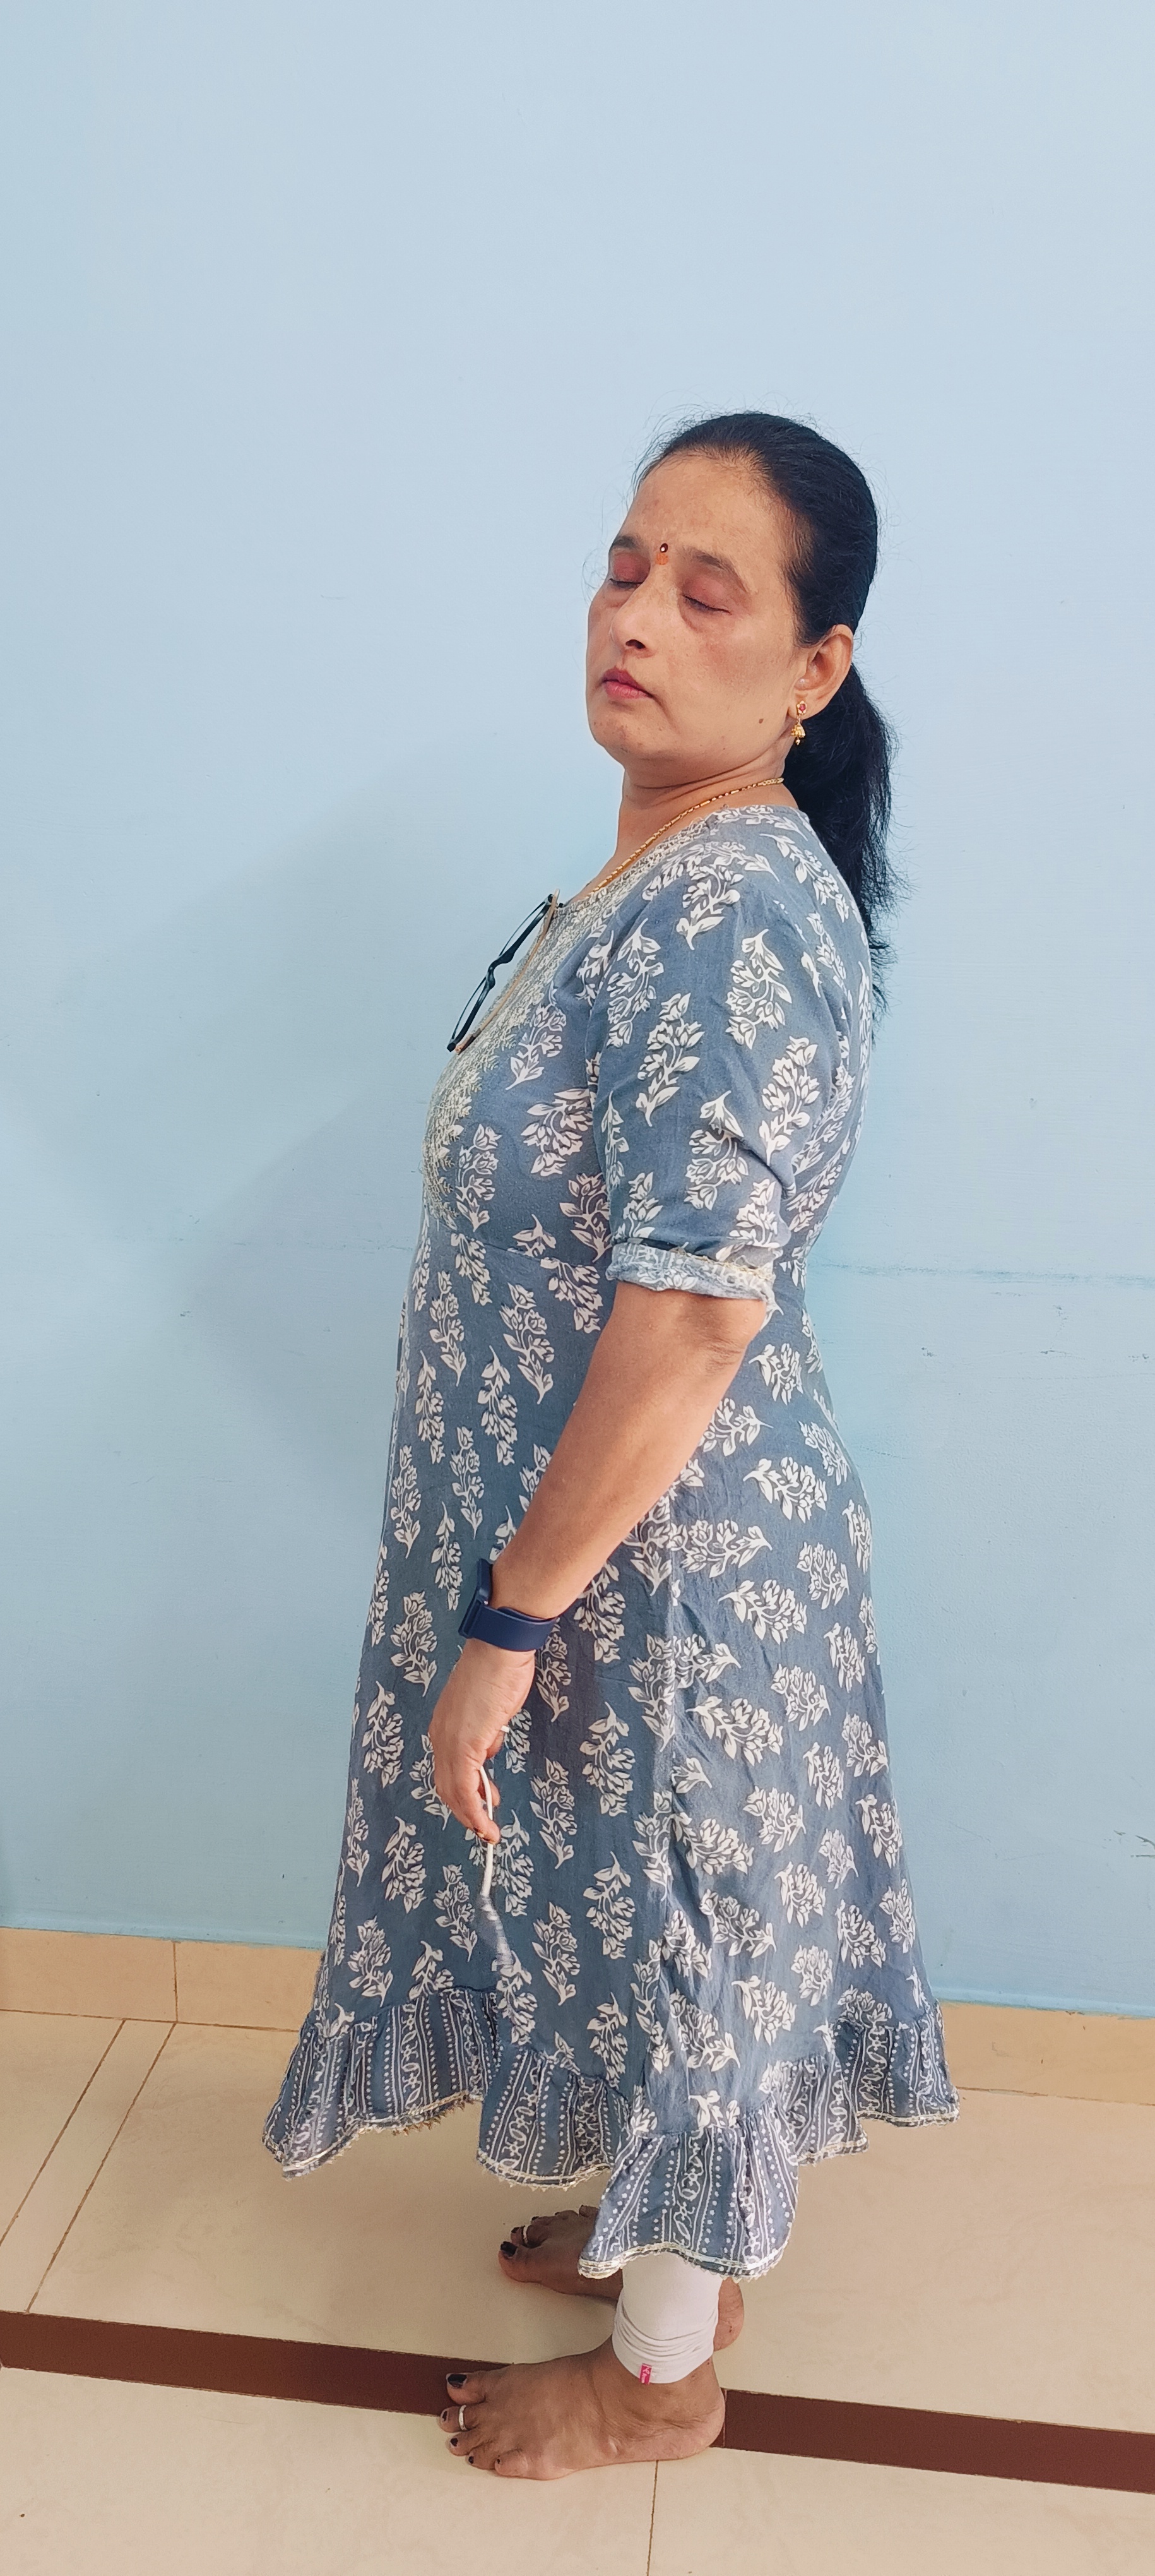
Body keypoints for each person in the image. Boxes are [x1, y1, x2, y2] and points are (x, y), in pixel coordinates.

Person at [265, 410, 958, 2479]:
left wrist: (510, 1620)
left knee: (685, 1946)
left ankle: (663, 2389)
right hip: (606, 1554)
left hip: (665, 1582)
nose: (637, 615)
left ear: (815, 666)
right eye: (624, 567)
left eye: (707, 590)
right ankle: (664, 2242)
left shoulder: (730, 905)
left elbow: (694, 1310)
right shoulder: (654, 874)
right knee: (636, 1931)